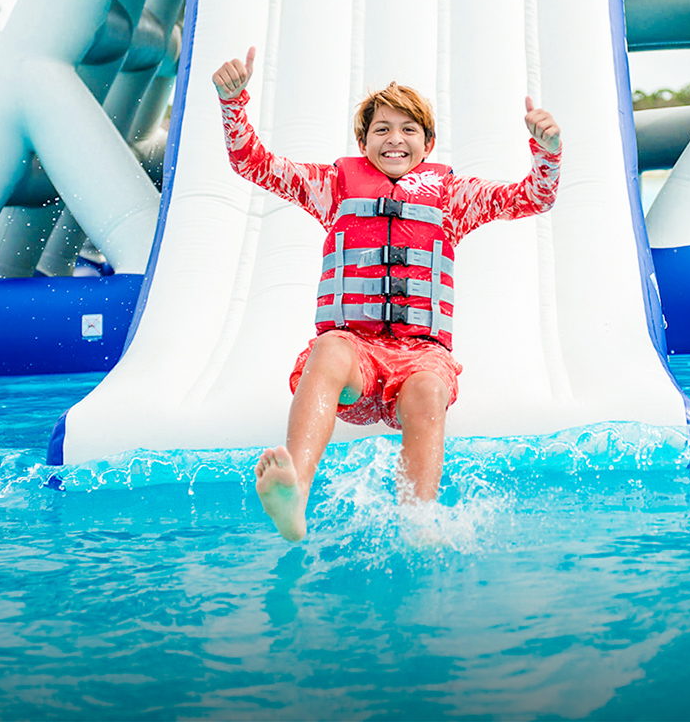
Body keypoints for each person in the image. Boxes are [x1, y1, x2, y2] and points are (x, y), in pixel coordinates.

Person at [213, 47, 562, 541]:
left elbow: (534, 197)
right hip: (355, 359)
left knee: (426, 388)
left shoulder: (452, 196)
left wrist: (547, 151)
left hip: (420, 358)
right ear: (363, 141)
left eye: (408, 130)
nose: (394, 140)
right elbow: (254, 163)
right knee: (328, 347)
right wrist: (234, 104)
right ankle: (295, 493)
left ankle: (418, 521)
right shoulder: (334, 185)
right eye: (381, 130)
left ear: (428, 142)